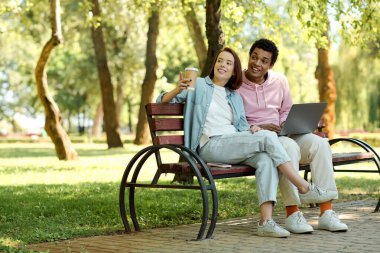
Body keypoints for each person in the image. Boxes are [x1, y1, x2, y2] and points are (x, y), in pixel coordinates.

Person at [157, 47, 336, 238]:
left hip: (231, 143)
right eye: (220, 61)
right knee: (268, 137)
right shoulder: (198, 85)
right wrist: (178, 88)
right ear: (214, 64)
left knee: (265, 160)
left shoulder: (234, 96)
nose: (222, 65)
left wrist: (254, 129)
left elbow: (242, 125)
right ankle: (304, 187)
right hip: (210, 145)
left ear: (234, 71)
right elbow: (161, 101)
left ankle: (265, 222)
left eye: (228, 63)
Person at [237, 38, 348, 234]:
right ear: (249, 56)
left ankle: (326, 212)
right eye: (254, 57)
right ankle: (293, 213)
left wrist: (283, 123)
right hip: (260, 138)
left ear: (270, 65)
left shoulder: (279, 81)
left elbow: (286, 109)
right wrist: (261, 126)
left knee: (320, 144)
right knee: (287, 147)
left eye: (264, 60)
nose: (257, 63)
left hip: (283, 132)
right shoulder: (236, 83)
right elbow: (235, 121)